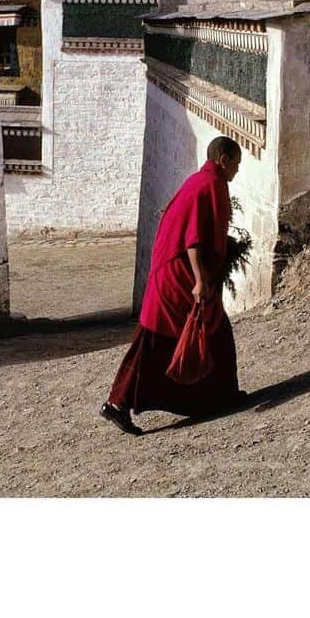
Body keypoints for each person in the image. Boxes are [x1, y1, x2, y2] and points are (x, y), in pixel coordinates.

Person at [101, 136, 246, 436]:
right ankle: (117, 404)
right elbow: (192, 238)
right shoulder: (210, 185)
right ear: (223, 159)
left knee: (215, 332)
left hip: (172, 274)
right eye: (236, 163)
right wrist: (200, 279)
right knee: (153, 344)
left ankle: (220, 396)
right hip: (177, 280)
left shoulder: (199, 181)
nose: (237, 170)